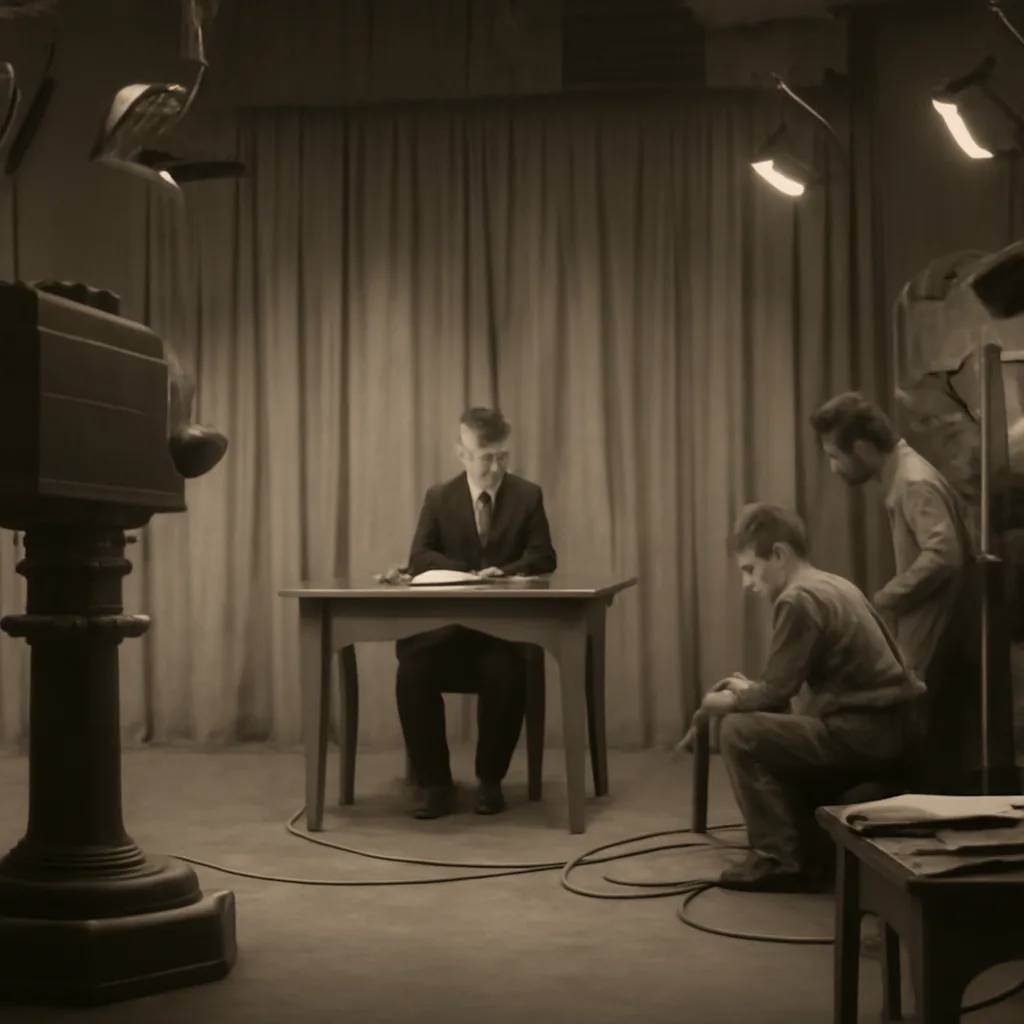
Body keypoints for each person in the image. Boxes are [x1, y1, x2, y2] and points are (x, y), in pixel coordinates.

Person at [690, 503, 925, 893]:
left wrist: (721, 703)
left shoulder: (797, 599)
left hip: (861, 737)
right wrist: (753, 692)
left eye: (750, 569)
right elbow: (780, 690)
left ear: (779, 554)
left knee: (737, 732)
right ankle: (803, 843)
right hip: (891, 732)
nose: (747, 584)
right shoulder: (833, 584)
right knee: (763, 724)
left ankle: (778, 859)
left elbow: (775, 693)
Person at [809, 391, 980, 793]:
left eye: (835, 456)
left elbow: (944, 554)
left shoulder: (912, 482)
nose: (834, 468)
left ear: (863, 448)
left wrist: (887, 597)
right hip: (934, 631)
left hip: (939, 635)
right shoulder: (906, 475)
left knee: (929, 750)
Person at [392, 407, 557, 820]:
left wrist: (508, 571)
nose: (496, 468)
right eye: (486, 458)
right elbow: (419, 556)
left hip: (501, 636)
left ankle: (490, 782)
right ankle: (435, 785)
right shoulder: (439, 497)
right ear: (462, 455)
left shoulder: (527, 495)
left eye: (503, 457)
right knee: (412, 672)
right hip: (444, 633)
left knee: (507, 672)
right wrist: (465, 571)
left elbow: (544, 556)